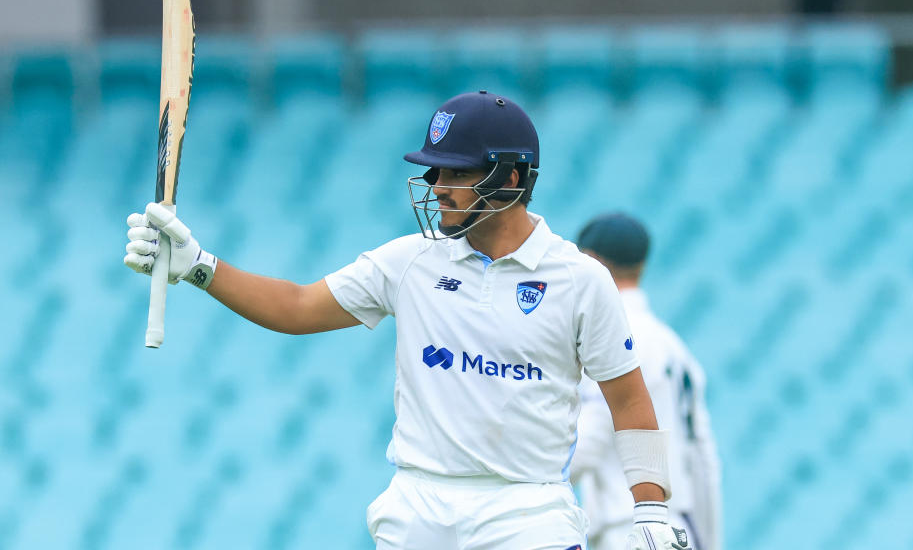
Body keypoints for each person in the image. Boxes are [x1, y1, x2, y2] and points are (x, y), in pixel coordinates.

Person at [124, 91, 690, 550]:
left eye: (457, 172)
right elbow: (296, 308)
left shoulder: (579, 279)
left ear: (512, 178)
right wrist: (198, 267)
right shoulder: (410, 261)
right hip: (418, 508)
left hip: (527, 512)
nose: (437, 187)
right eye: (434, 172)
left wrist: (651, 507)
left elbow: (630, 400)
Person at [572, 213, 722, 550]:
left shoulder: (613, 334)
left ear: (590, 261)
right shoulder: (672, 345)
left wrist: (518, 489)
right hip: (677, 529)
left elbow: (589, 440)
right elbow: (704, 460)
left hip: (633, 527)